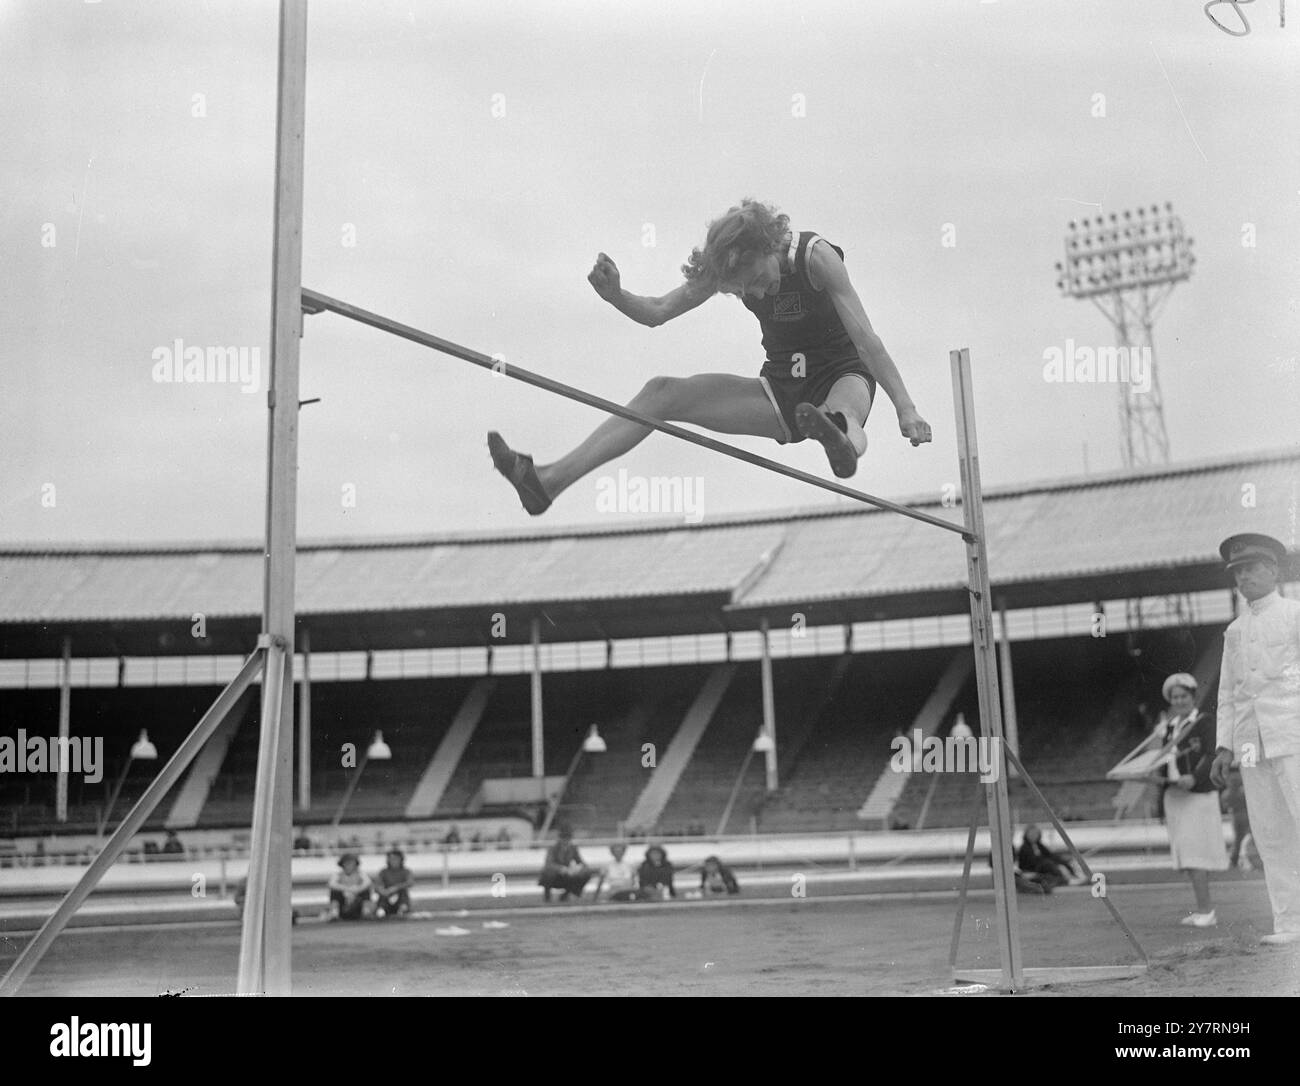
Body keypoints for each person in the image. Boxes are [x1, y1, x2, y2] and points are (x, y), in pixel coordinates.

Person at [488, 199, 932, 516]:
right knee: (661, 393)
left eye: (757, 279)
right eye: (742, 291)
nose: (755, 293)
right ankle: (545, 482)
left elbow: (867, 341)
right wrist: (615, 296)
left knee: (841, 411)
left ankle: (838, 439)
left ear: (768, 247)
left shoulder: (815, 258)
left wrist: (905, 408)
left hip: (844, 370)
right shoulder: (726, 270)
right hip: (780, 390)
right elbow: (659, 311)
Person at [1209, 532, 1300, 945]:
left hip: (1292, 734)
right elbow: (1228, 694)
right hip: (1250, 743)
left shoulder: (1295, 615)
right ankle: (1289, 923)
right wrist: (1222, 747)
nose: (1243, 577)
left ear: (1274, 571)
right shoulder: (1234, 631)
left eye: (1251, 568)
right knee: (1269, 835)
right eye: (1237, 571)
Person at [1151, 673, 1227, 926]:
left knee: (1197, 854)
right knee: (1186, 855)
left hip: (1196, 795)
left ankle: (1207, 911)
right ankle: (1203, 908)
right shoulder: (1171, 727)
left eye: (1184, 696)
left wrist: (1194, 778)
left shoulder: (1204, 722)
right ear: (1170, 700)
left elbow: (1209, 754)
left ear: (1193, 697)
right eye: (1175, 697)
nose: (1180, 700)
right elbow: (1165, 763)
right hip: (1175, 796)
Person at [1016, 826, 1085, 890]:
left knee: (1060, 861)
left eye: (1035, 834)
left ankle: (1074, 875)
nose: (1034, 836)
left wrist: (1061, 860)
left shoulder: (1039, 845)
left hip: (1042, 866)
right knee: (1048, 864)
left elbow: (1050, 855)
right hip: (1032, 868)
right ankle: (1067, 880)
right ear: (1026, 834)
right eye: (1031, 834)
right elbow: (1031, 862)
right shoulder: (1024, 848)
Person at [538, 826, 594, 902]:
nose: (566, 840)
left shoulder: (573, 848)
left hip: (567, 876)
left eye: (568, 838)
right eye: (564, 838)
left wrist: (578, 870)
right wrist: (562, 869)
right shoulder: (553, 848)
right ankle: (547, 898)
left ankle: (565, 896)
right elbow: (549, 864)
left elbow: (581, 862)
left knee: (586, 874)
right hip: (555, 875)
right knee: (548, 874)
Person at [327, 853, 374, 921]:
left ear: (356, 864)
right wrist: (347, 890)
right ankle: (334, 913)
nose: (349, 865)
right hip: (343, 903)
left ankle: (366, 912)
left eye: (351, 863)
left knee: (366, 892)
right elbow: (331, 884)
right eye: (347, 863)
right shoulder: (338, 875)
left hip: (357, 903)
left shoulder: (360, 874)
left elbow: (368, 882)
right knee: (334, 892)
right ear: (342, 864)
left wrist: (357, 890)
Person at [373, 848, 414, 918]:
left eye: (396, 859)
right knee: (382, 898)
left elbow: (410, 882)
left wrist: (396, 888)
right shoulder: (383, 872)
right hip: (386, 896)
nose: (394, 861)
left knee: (402, 892)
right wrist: (383, 891)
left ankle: (402, 909)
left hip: (400, 898)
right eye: (391, 859)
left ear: (401, 860)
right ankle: (381, 910)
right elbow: (377, 885)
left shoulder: (406, 871)